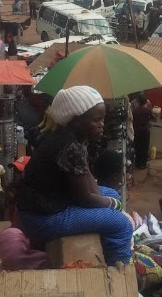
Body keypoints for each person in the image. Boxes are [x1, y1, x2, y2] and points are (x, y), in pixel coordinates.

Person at [17, 86, 133, 266]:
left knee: (112, 194)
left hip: (47, 205)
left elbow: (87, 179)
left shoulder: (70, 139)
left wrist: (110, 202)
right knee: (122, 225)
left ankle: (105, 245)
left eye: (103, 119)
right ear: (75, 121)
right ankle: (119, 272)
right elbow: (85, 198)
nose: (102, 124)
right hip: (42, 220)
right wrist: (114, 207)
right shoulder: (69, 147)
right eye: (97, 120)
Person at [131, 92, 154, 170]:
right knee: (145, 147)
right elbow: (154, 118)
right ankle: (143, 164)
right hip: (145, 131)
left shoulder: (134, 111)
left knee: (137, 147)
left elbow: (132, 120)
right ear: (145, 101)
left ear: (138, 101)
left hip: (136, 131)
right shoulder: (148, 110)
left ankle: (137, 163)